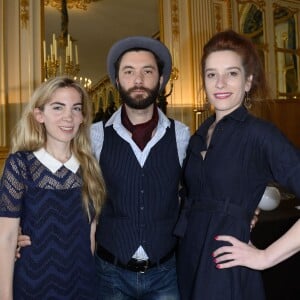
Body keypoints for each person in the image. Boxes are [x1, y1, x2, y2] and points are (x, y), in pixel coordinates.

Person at [174, 29, 300, 300]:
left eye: (231, 73)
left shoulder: (260, 134)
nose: (220, 83)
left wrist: (266, 256)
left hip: (225, 266)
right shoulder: (199, 136)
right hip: (188, 259)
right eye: (211, 74)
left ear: (247, 81)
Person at [89, 36, 190, 300]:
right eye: (129, 71)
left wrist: (245, 207)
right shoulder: (95, 135)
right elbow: (69, 191)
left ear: (161, 80)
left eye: (148, 71)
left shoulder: (182, 135)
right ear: (117, 81)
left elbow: (201, 189)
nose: (138, 80)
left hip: (165, 273)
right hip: (109, 274)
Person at [0, 76, 106, 299]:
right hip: (32, 285)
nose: (68, 117)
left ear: (83, 118)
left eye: (76, 109)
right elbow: (7, 237)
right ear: (40, 115)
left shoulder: (90, 166)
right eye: (58, 107)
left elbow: (91, 237)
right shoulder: (21, 165)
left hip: (83, 285)